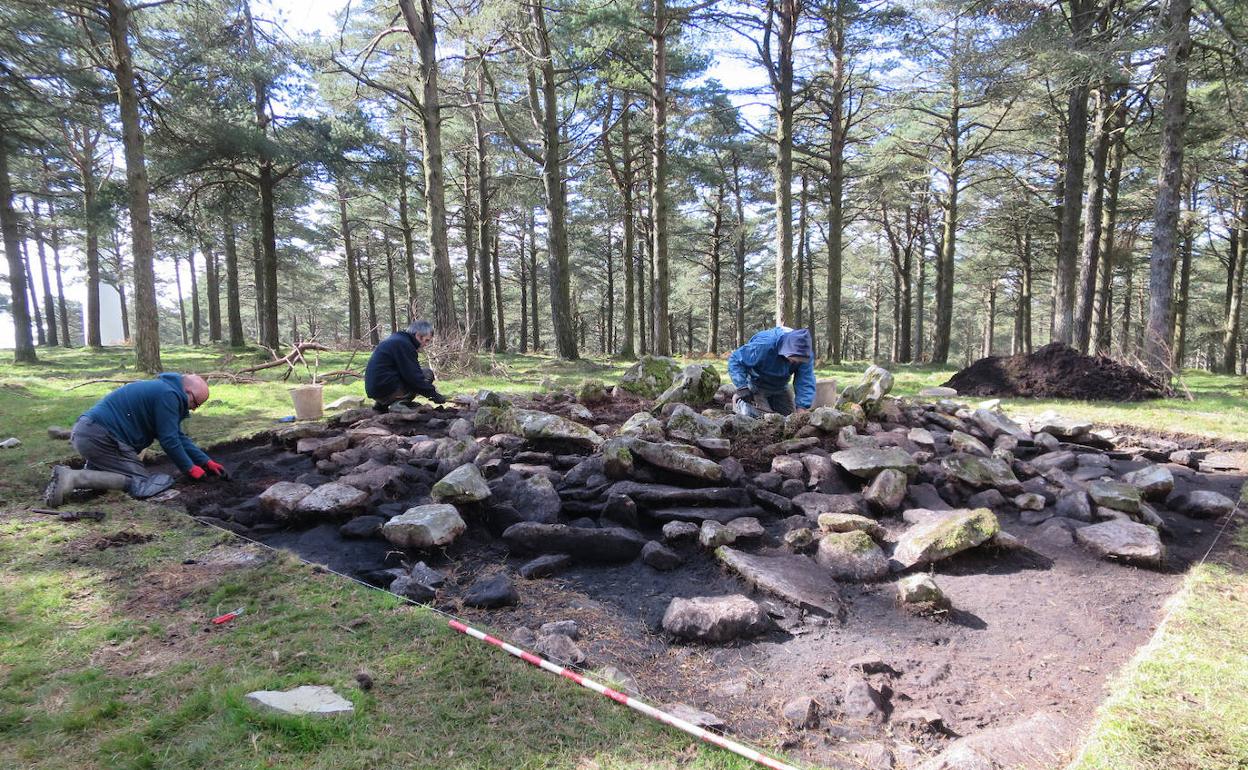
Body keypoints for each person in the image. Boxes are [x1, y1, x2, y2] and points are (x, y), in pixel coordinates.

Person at [44, 373, 226, 507]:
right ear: (187, 391)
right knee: (140, 483)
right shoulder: (169, 395)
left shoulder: (164, 389)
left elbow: (178, 436)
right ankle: (72, 478)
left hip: (90, 433)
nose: (193, 409)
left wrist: (205, 461)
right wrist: (189, 468)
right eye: (195, 403)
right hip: (102, 438)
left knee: (115, 479)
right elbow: (169, 440)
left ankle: (81, 479)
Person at [727, 326, 816, 416]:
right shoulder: (764, 345)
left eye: (798, 360)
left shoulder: (806, 355)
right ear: (786, 350)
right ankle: (735, 404)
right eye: (793, 359)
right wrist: (742, 387)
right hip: (757, 383)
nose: (795, 362)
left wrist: (802, 406)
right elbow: (736, 360)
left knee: (787, 417)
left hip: (780, 387)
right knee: (757, 417)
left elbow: (805, 380)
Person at [364, 319, 447, 413]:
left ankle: (382, 404)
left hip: (375, 389)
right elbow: (414, 377)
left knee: (413, 375)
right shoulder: (404, 345)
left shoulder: (397, 340)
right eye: (426, 340)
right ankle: (399, 403)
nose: (426, 344)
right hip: (384, 390)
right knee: (427, 374)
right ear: (418, 335)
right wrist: (434, 394)